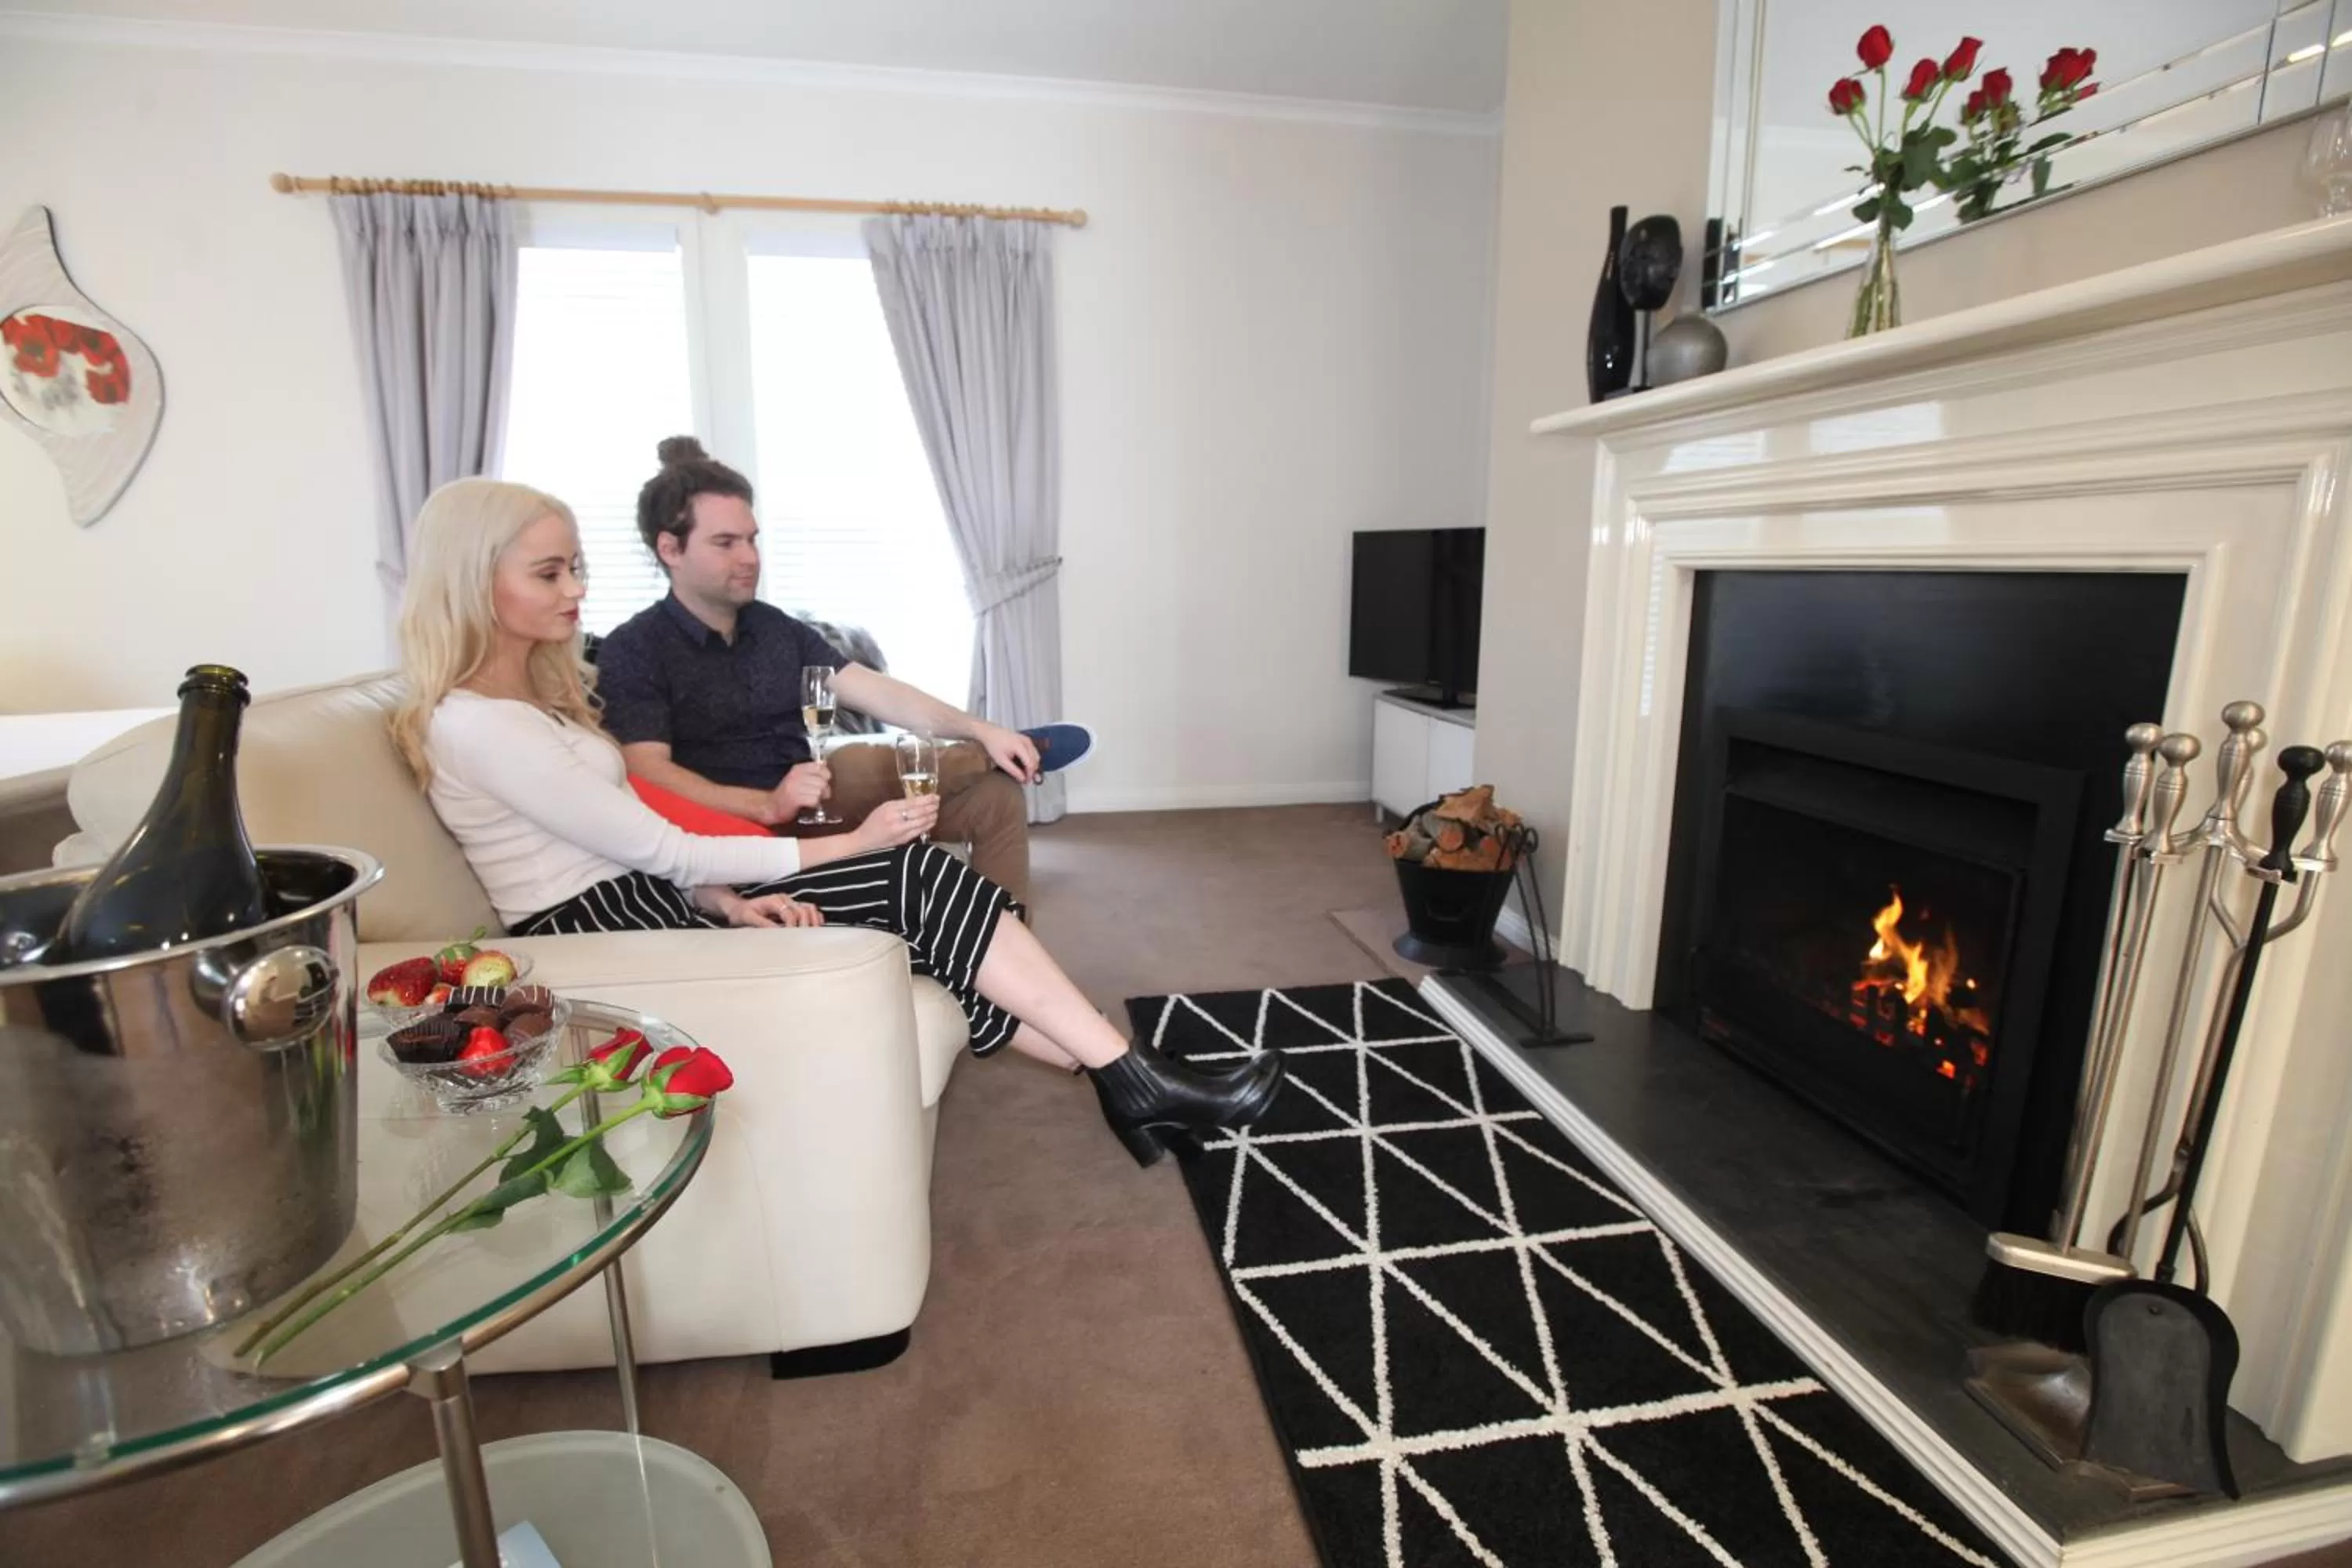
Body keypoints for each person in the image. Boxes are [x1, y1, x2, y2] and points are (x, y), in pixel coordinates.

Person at [389, 477, 1278, 1165]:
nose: (575, 587)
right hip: (602, 930)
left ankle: (1132, 1076)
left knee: (938, 896)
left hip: (658, 894)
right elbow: (651, 830)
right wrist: (839, 843)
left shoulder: (537, 703)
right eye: (549, 572)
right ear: (474, 581)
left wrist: (729, 898)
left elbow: (629, 830)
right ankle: (1135, 1077)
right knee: (916, 873)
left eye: (577, 565)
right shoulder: (477, 720)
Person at [591, 437, 1092, 909]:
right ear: (670, 549)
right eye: (726, 543)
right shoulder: (635, 648)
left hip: (816, 801)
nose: (749, 558)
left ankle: (1006, 947)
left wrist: (979, 725)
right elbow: (645, 770)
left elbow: (877, 693)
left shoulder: (774, 628)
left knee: (997, 799)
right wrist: (766, 804)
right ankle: (988, 756)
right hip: (740, 833)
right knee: (855, 764)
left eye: (752, 539)